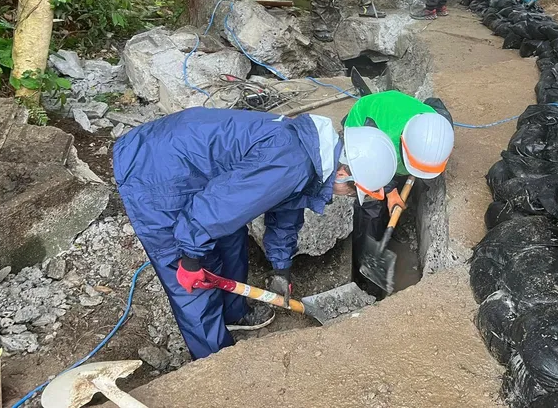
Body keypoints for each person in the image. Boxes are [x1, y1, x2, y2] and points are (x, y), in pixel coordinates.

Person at [112, 107, 398, 360]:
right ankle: (215, 361)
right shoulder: (290, 164)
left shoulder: (313, 154)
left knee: (231, 239)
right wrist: (188, 258)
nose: (347, 196)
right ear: (344, 173)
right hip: (154, 170)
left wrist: (281, 268)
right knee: (195, 283)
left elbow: (285, 210)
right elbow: (212, 210)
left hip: (192, 163)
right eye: (352, 192)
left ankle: (235, 314)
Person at [342, 91, 455, 273]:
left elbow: (434, 102)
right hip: (363, 129)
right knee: (372, 201)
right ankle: (365, 254)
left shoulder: (438, 128)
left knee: (398, 183)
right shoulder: (381, 141)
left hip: (395, 119)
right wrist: (391, 193)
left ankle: (392, 224)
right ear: (403, 143)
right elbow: (374, 168)